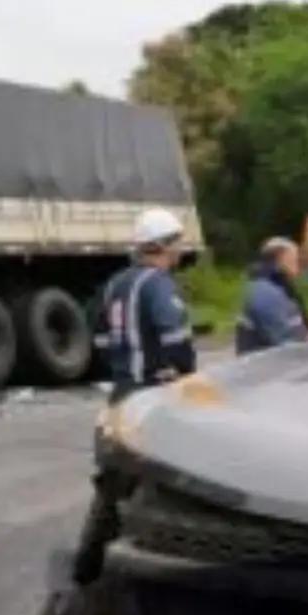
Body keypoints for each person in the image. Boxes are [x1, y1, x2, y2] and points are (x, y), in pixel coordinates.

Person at [71, 206, 197, 585]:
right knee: (168, 482)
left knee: (112, 483)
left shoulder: (115, 284)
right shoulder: (158, 284)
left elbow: (100, 336)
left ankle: (88, 566)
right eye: (176, 243)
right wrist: (185, 374)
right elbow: (176, 337)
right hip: (152, 396)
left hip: (122, 392)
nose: (179, 251)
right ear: (160, 246)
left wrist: (120, 366)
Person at [235, 236, 308, 354]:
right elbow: (284, 341)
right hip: (266, 368)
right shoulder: (266, 292)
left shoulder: (279, 287)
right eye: (294, 260)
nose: (298, 266)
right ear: (282, 259)